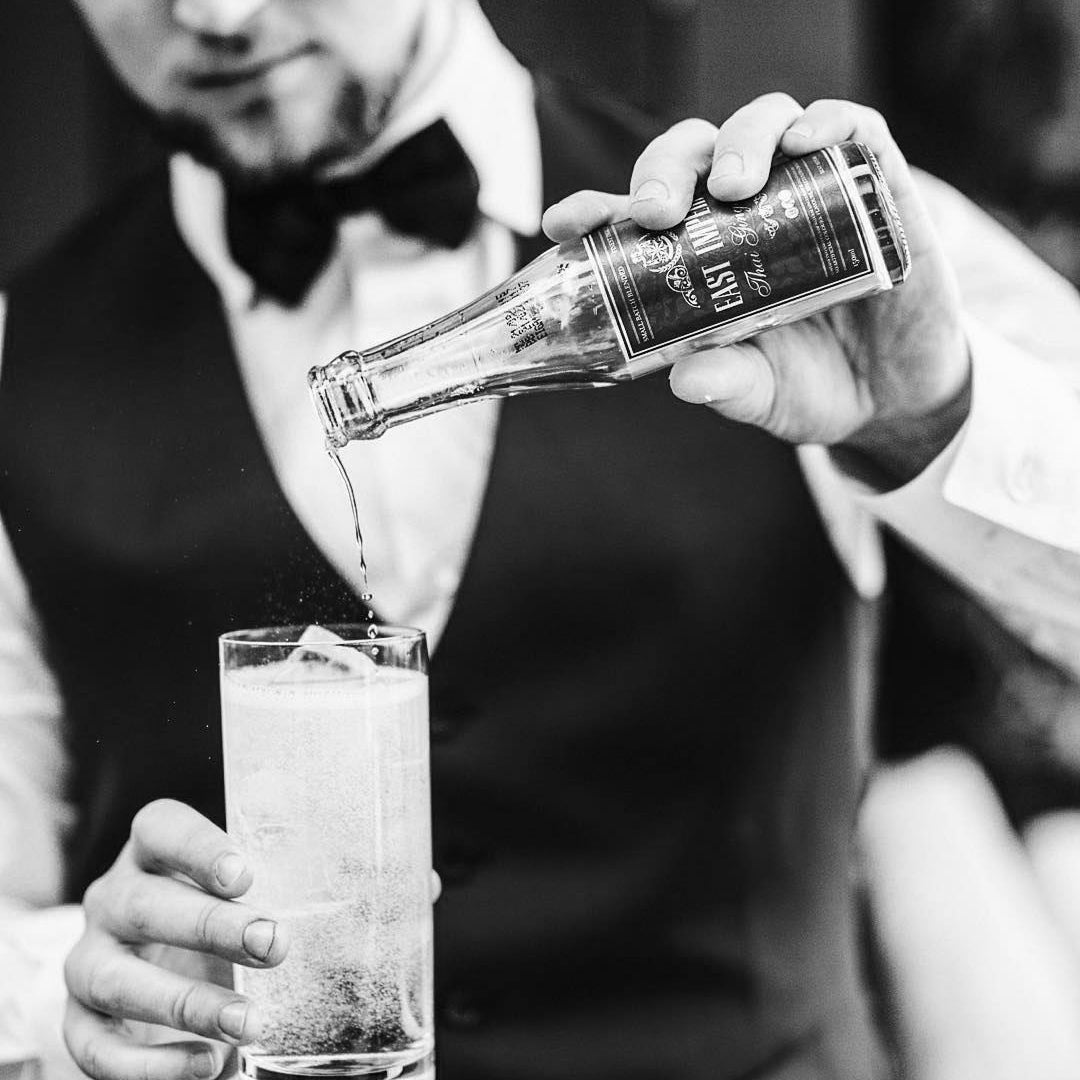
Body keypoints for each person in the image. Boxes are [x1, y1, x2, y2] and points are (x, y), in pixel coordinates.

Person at [2, 1, 1080, 1079]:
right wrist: (81, 985)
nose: (216, 15)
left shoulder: (811, 238)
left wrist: (939, 417)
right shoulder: (24, 359)